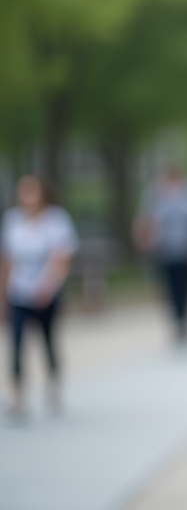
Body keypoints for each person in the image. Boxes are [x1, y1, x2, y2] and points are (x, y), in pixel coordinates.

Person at [1, 175, 77, 418]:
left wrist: (47, 287)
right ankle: (18, 395)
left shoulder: (56, 220)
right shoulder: (13, 220)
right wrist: (3, 292)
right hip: (18, 291)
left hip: (46, 292)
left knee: (47, 339)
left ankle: (53, 385)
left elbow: (61, 259)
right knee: (16, 342)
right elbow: (7, 259)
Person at [134, 164, 187, 345]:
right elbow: (145, 220)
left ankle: (186, 319)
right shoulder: (154, 194)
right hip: (164, 252)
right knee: (169, 288)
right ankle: (177, 321)